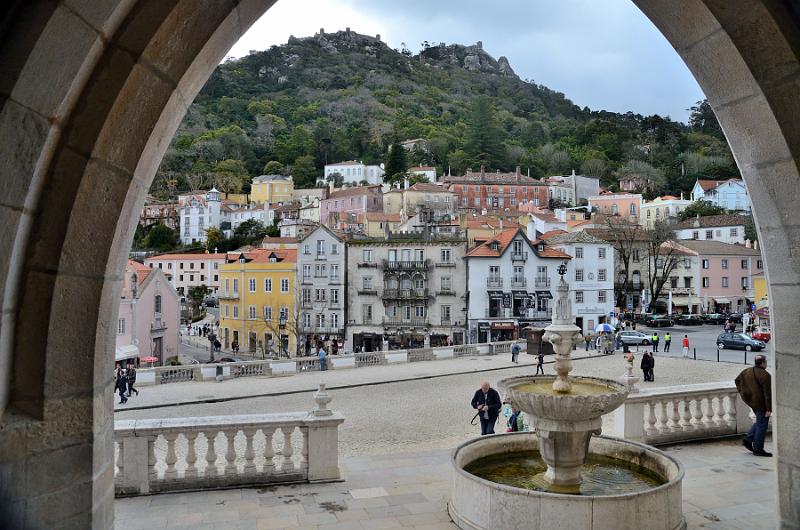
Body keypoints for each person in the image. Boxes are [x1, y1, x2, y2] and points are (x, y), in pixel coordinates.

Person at [735, 354, 772, 457]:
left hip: (753, 403)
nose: (766, 363)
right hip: (762, 405)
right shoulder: (765, 375)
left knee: (760, 422)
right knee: (762, 426)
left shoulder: (746, 371)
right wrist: (769, 409)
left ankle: (748, 439)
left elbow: (737, 381)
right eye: (766, 362)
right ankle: (758, 449)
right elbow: (768, 394)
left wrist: (745, 395)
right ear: (763, 363)